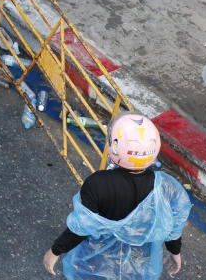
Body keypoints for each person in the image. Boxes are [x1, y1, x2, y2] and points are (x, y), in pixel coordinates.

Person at [43, 113, 191, 279]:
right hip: (140, 266)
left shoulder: (97, 184)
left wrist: (55, 251)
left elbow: (81, 228)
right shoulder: (167, 186)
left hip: (96, 264)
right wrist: (175, 252)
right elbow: (174, 226)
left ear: (114, 146)